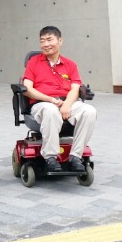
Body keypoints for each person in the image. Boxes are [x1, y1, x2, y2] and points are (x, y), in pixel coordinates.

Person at [22, 25, 97, 172]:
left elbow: (75, 89)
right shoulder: (33, 62)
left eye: (49, 40)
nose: (45, 44)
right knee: (50, 110)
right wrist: (50, 100)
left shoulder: (70, 64)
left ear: (60, 41)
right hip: (42, 103)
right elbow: (27, 89)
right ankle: (50, 157)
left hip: (66, 102)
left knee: (89, 111)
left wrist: (67, 105)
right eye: (42, 41)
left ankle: (75, 156)